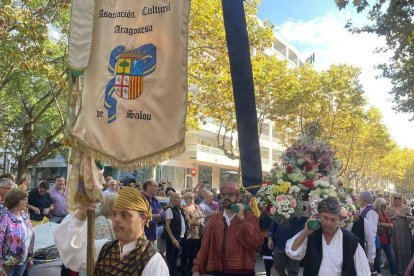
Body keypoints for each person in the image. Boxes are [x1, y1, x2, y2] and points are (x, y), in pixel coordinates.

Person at [54, 187, 169, 275]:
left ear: (143, 217)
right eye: (114, 214)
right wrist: (80, 215)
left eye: (125, 214)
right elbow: (72, 253)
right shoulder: (103, 249)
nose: (116, 219)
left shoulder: (153, 261)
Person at [285, 197, 371, 275]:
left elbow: (363, 272)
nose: (329, 223)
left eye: (333, 219)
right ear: (318, 216)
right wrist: (305, 233)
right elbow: (292, 252)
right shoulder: (311, 233)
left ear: (340, 220)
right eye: (325, 218)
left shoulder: (350, 240)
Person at [192, 182, 263, 276]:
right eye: (224, 194)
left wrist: (241, 218)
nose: (226, 197)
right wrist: (197, 268)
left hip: (243, 270)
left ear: (238, 197)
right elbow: (205, 245)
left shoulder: (249, 217)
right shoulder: (215, 218)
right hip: (220, 270)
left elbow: (257, 241)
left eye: (230, 194)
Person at [0, 188, 34, 276]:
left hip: (23, 261)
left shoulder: (25, 216)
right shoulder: (5, 218)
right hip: (7, 264)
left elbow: (29, 238)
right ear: (15, 201)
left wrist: (30, 258)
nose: (27, 202)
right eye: (24, 199)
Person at [351, 191, 378, 271]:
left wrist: (371, 257)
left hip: (364, 246)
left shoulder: (371, 212)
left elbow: (372, 234)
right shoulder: (362, 210)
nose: (358, 199)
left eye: (359, 197)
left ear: (363, 199)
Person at [388, 193, 413, 275]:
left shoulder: (407, 208)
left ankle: (407, 271)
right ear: (392, 199)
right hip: (393, 234)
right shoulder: (388, 209)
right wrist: (393, 217)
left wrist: (402, 215)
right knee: (394, 252)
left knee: (405, 251)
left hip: (405, 234)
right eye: (395, 198)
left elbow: (412, 219)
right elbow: (384, 220)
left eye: (399, 198)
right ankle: (396, 271)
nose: (397, 200)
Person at [164, 192, 187, 276]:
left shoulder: (180, 209)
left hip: (180, 237)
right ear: (173, 199)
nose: (180, 199)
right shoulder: (170, 209)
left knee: (175, 257)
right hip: (173, 238)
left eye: (180, 198)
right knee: (171, 258)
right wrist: (173, 239)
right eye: (178, 198)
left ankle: (173, 273)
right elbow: (167, 226)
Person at [373, 197, 397, 275]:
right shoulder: (374, 213)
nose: (383, 207)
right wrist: (384, 224)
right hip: (379, 237)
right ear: (378, 205)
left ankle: (394, 273)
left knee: (391, 257)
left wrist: (390, 224)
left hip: (387, 238)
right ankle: (378, 273)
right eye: (382, 205)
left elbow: (389, 221)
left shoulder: (384, 212)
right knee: (378, 258)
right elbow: (373, 223)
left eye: (384, 205)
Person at [182, 192, 204, 276]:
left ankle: (192, 269)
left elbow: (202, 217)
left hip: (197, 234)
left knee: (194, 254)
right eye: (190, 197)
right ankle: (184, 270)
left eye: (193, 197)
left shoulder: (196, 207)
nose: (192, 199)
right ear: (185, 199)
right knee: (186, 254)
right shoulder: (184, 208)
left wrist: (197, 219)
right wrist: (198, 219)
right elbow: (189, 221)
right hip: (188, 234)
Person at [142, 179, 165, 247]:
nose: (157, 188)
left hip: (154, 235)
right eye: (155, 186)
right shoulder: (141, 199)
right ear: (149, 187)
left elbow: (163, 215)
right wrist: (156, 216)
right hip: (144, 237)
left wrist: (153, 216)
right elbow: (142, 216)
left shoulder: (155, 200)